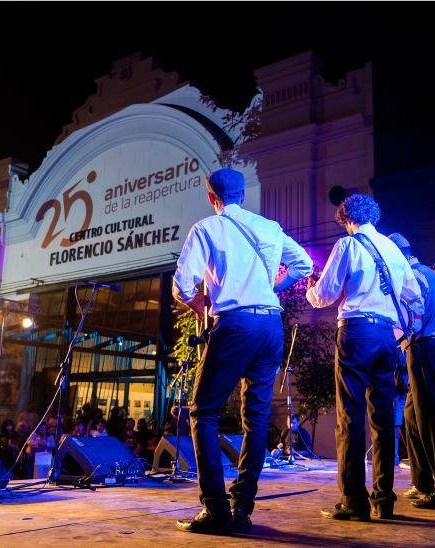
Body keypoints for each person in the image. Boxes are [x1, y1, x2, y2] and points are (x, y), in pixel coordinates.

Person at [172, 168, 313, 535]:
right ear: (242, 195)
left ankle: (215, 509)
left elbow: (182, 284)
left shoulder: (206, 228)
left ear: (210, 197)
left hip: (234, 323)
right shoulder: (268, 227)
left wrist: (196, 301)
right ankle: (242, 508)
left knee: (203, 412)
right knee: (258, 416)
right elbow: (305, 264)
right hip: (270, 325)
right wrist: (273, 285)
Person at [307, 194, 421, 522]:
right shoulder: (393, 249)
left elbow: (325, 294)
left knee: (350, 417)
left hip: (356, 333)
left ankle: (354, 502)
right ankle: (384, 499)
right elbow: (414, 297)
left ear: (347, 219)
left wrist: (310, 291)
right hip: (387, 336)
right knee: (384, 419)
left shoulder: (348, 245)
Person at [387, 233, 435, 510]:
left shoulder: (413, 276)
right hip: (432, 345)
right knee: (411, 415)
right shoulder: (428, 273)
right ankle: (423, 482)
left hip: (424, 346)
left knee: (431, 419)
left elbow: (411, 318)